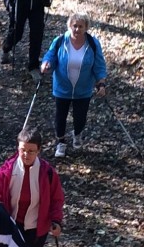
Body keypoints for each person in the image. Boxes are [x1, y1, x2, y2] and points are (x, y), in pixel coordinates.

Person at [41, 12, 109, 157]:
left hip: (83, 89)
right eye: (74, 26)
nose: (77, 29)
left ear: (86, 28)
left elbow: (99, 64)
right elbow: (51, 56)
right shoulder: (60, 41)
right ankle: (61, 143)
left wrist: (101, 83)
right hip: (62, 87)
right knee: (60, 117)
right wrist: (46, 64)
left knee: (80, 118)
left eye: (80, 26)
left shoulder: (92, 43)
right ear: (69, 26)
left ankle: (77, 134)